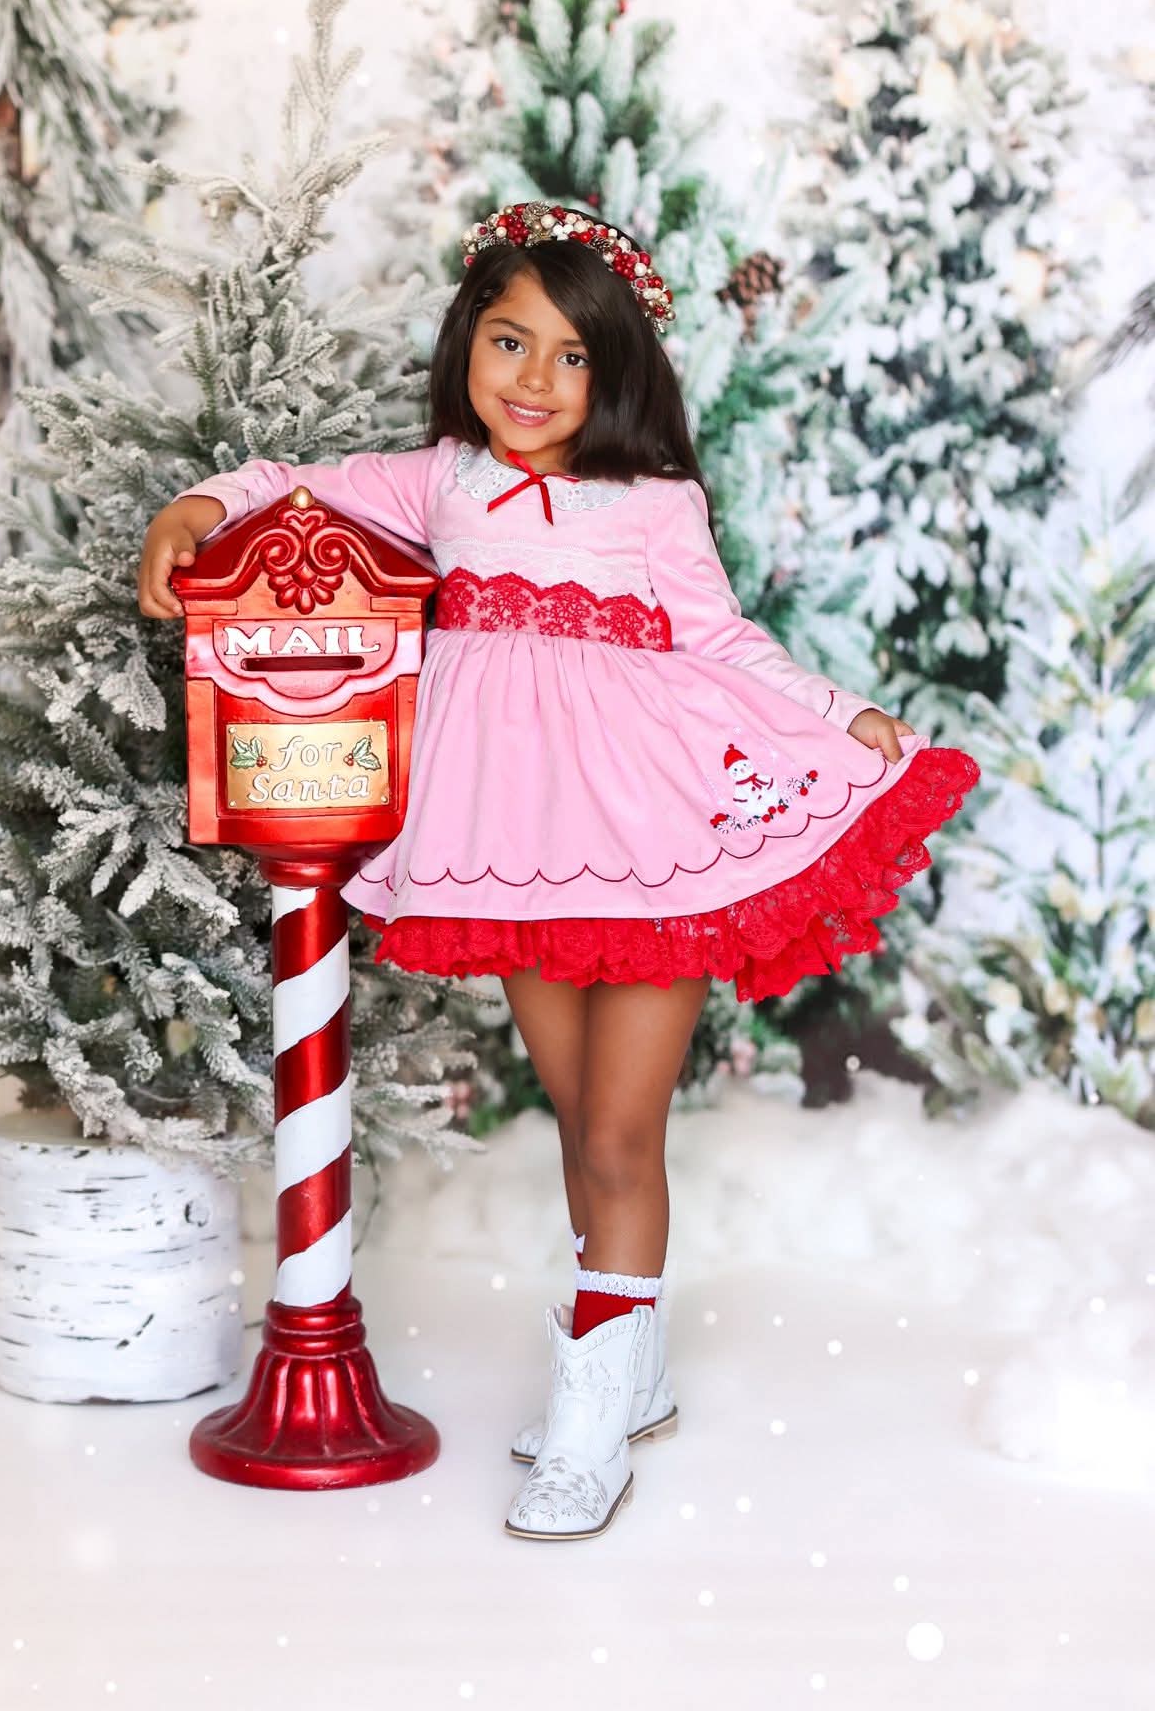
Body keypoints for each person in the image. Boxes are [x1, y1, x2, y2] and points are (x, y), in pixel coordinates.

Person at [138, 200, 980, 1543]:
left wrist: (841, 716)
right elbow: (291, 485)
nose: (533, 380)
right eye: (508, 341)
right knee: (578, 1116)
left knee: (618, 1135)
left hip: (655, 840)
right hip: (515, 850)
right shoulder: (442, 481)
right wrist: (193, 510)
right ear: (466, 344)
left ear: (615, 370)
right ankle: (632, 1367)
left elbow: (724, 641)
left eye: (572, 355)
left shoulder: (654, 504)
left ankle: (592, 1417)